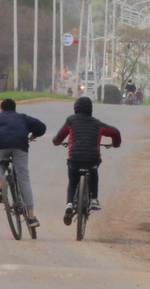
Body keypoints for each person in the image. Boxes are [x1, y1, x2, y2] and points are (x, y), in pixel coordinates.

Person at [0, 98, 47, 228]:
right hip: (20, 146)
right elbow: (41, 127)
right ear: (14, 109)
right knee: (24, 178)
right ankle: (31, 217)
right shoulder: (23, 118)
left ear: (1, 109)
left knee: (1, 165)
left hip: (2, 145)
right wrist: (34, 135)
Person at [52, 96, 121, 225]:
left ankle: (69, 204)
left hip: (74, 159)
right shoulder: (97, 124)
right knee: (93, 172)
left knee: (73, 182)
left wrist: (56, 142)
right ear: (91, 109)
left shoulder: (71, 121)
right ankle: (94, 199)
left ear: (75, 108)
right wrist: (116, 144)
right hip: (92, 160)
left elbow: (58, 138)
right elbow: (115, 132)